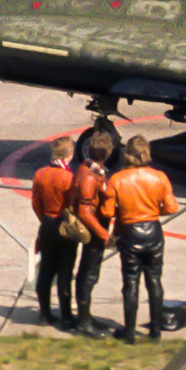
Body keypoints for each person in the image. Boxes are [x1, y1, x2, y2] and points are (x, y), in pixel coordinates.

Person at [100, 135, 178, 343]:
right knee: (154, 280)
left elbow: (108, 212)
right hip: (153, 230)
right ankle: (155, 330)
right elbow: (172, 207)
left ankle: (130, 332)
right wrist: (152, 211)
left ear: (128, 154)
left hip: (129, 230)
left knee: (130, 282)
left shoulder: (117, 179)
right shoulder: (159, 177)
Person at [64, 134, 112, 337]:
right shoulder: (90, 176)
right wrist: (105, 235)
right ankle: (83, 322)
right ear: (107, 153)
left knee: (89, 273)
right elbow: (84, 211)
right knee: (88, 274)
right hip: (93, 230)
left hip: (95, 227)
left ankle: (86, 316)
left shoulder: (91, 169)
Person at [31, 136, 76, 328]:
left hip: (47, 223)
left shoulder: (40, 174)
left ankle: (44, 314)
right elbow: (72, 205)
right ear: (69, 155)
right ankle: (66, 315)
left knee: (46, 270)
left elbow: (35, 203)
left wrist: (44, 220)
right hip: (64, 225)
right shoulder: (69, 178)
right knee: (65, 271)